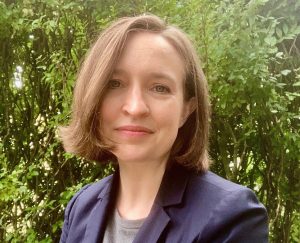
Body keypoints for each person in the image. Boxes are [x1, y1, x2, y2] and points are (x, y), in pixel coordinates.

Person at [59, 14, 268, 243]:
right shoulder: (81, 207)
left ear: (186, 110)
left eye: (159, 88)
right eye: (114, 84)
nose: (135, 108)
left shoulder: (232, 217)